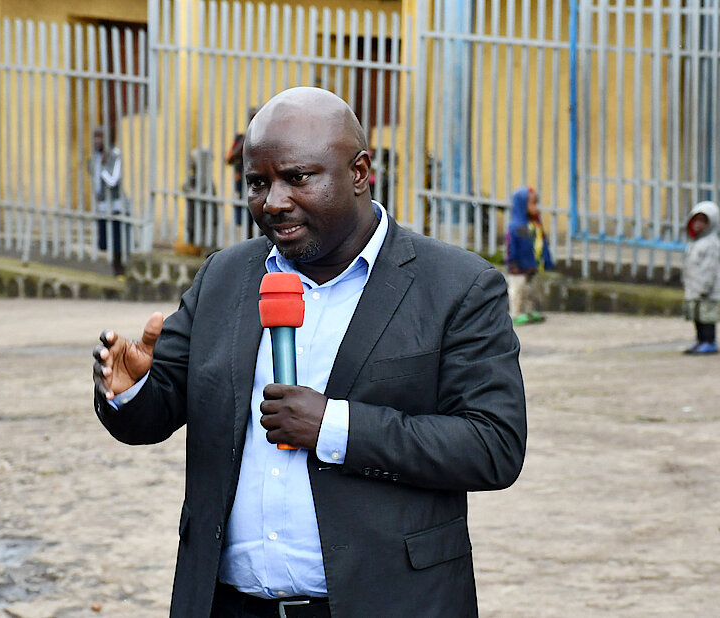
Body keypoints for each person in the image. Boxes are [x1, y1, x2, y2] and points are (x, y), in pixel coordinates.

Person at [92, 87, 526, 618]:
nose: (273, 202)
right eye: (258, 182)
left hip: (387, 604)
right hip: (227, 606)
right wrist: (131, 389)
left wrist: (334, 427)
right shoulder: (225, 277)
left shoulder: (457, 286)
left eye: (297, 178)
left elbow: (493, 445)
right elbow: (153, 414)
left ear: (360, 172)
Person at [504, 186, 554, 326]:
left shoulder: (535, 225)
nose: (536, 208)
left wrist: (546, 260)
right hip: (518, 268)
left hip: (531, 266)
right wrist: (512, 262)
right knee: (517, 291)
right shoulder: (516, 227)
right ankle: (515, 313)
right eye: (532, 204)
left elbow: (542, 244)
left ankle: (529, 312)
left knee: (530, 291)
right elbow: (511, 247)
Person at [682, 201, 720, 354]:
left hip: (707, 290)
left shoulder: (711, 244)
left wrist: (704, 287)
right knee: (697, 317)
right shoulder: (695, 243)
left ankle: (709, 341)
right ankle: (700, 340)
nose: (698, 224)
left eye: (703, 221)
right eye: (696, 220)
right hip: (695, 288)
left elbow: (710, 268)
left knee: (707, 319)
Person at [89, 127, 127, 276]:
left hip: (116, 206)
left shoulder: (115, 155)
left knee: (118, 243)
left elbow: (113, 180)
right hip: (102, 207)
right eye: (95, 137)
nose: (97, 141)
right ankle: (114, 270)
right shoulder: (93, 158)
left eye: (100, 137)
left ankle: (120, 271)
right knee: (104, 243)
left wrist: (104, 166)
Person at [226, 107, 257, 232]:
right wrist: (247, 137)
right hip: (243, 183)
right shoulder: (241, 138)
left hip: (260, 182)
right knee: (245, 216)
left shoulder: (267, 138)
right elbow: (229, 158)